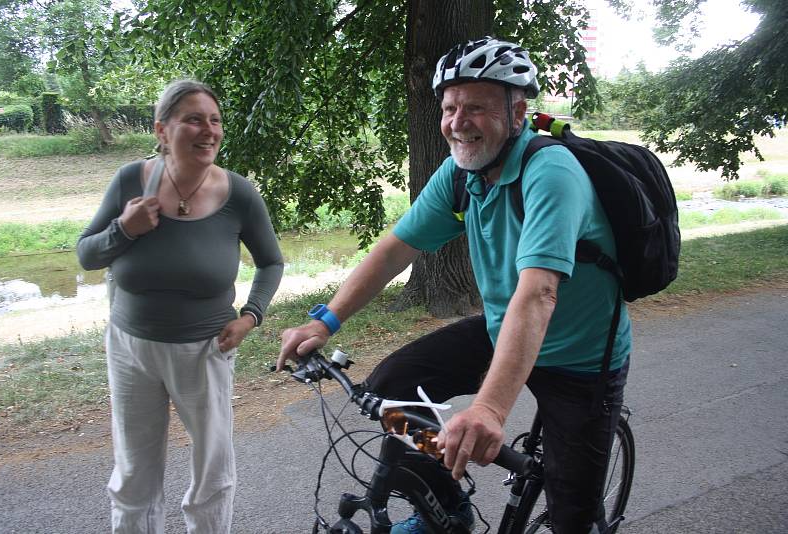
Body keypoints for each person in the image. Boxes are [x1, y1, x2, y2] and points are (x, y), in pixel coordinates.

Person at [278, 36, 631, 534]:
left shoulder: (551, 173)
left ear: (517, 113)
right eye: (450, 107)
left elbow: (538, 293)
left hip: (581, 356)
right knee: (393, 394)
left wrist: (488, 408)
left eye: (477, 107)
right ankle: (446, 507)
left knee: (573, 513)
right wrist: (326, 319)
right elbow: (395, 249)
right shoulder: (462, 174)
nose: (458, 122)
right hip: (502, 328)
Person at [77, 79, 284, 534]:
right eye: (193, 119)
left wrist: (251, 316)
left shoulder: (239, 194)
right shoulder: (132, 180)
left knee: (212, 469)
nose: (208, 130)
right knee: (134, 471)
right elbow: (87, 255)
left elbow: (271, 262)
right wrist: (124, 229)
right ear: (162, 130)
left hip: (205, 350)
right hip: (131, 349)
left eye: (215, 120)